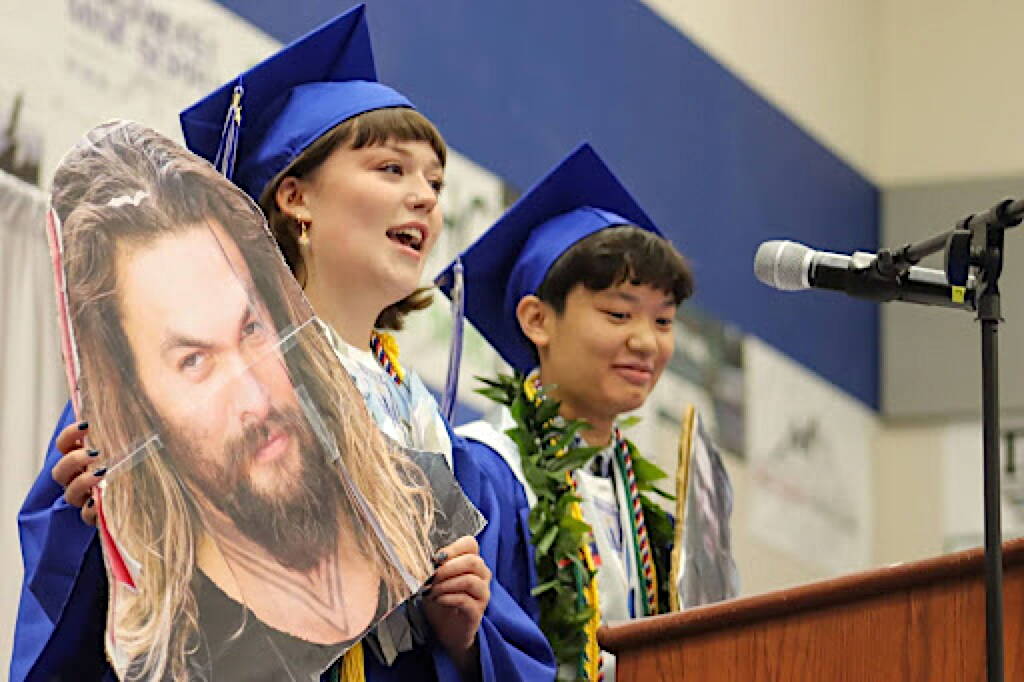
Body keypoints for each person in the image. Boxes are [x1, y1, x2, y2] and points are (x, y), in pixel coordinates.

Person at [12, 6, 554, 682]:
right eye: (392, 169)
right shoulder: (173, 390)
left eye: (436, 183)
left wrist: (468, 640)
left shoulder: (442, 448)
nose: (425, 198)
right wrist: (97, 529)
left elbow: (510, 655)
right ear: (296, 197)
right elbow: (79, 628)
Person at [47, 119, 464, 681]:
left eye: (252, 330)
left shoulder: (426, 450)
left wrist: (465, 641)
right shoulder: (104, 443)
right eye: (194, 361)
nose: (253, 397)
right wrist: (101, 540)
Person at [438, 143, 739, 681]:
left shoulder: (652, 521)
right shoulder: (485, 474)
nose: (646, 342)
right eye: (619, 314)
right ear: (537, 320)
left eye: (664, 321)